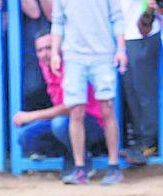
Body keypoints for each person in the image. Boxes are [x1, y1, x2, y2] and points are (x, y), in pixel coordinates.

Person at [51, 0, 126, 185]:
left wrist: (121, 49)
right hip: (74, 56)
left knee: (107, 110)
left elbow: (117, 18)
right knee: (75, 111)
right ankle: (79, 167)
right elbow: (58, 22)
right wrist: (54, 52)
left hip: (103, 55)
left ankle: (114, 165)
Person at [13, 30, 105, 176]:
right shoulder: (45, 65)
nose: (44, 54)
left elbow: (70, 106)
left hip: (91, 122)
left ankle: (82, 162)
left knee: (60, 124)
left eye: (49, 48)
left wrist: (31, 116)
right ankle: (72, 155)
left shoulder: (71, 65)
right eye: (40, 50)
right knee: (25, 137)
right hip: (66, 121)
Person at [121, 0, 160, 163]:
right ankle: (138, 140)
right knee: (131, 92)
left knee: (144, 92)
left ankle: (149, 142)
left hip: (143, 34)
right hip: (124, 37)